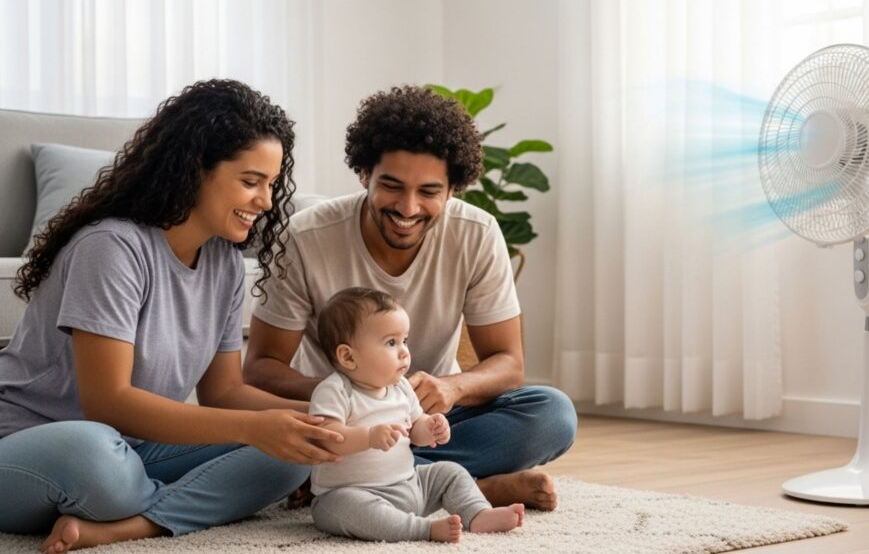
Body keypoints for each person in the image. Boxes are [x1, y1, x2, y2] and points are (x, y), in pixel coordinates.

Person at [0, 79, 345, 554]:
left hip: (136, 449)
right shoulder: (112, 247)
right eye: (250, 181)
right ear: (193, 169)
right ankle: (166, 505)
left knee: (292, 456)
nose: (265, 201)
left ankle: (134, 525)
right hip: (37, 442)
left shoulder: (224, 261)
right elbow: (109, 403)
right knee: (96, 457)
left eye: (270, 184)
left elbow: (224, 393)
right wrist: (252, 428)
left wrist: (325, 417)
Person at [243, 85, 577, 511]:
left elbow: (508, 364)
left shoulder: (476, 233)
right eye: (392, 186)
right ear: (364, 174)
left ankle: (386, 483)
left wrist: (453, 387)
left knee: (551, 414)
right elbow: (261, 368)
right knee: (263, 448)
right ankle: (457, 484)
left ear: (453, 189)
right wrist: (353, 395)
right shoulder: (307, 237)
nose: (408, 207)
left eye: (430, 192)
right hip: (339, 422)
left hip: (429, 420)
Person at [309, 287, 525, 542]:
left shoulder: (400, 386)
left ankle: (478, 513)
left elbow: (416, 431)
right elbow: (327, 437)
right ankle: (424, 530)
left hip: (410, 484)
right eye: (391, 342)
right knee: (350, 508)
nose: (404, 351)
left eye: (405, 341)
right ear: (347, 356)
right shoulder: (334, 391)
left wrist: (431, 427)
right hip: (352, 493)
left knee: (449, 472)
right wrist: (369, 437)